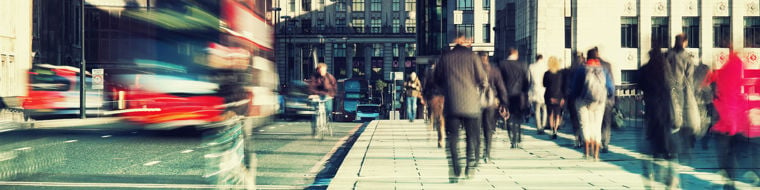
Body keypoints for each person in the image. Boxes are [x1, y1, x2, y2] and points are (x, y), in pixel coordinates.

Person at [433, 33, 488, 183]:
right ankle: (470, 167)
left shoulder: (445, 57)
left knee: (453, 137)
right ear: (465, 41)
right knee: (472, 137)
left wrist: (446, 89)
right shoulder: (473, 57)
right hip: (471, 103)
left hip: (452, 104)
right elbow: (483, 80)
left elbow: (436, 79)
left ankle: (455, 169)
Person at [705, 49, 759, 190]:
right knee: (737, 152)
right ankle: (742, 175)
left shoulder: (722, 77)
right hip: (732, 126)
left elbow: (714, 95)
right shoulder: (732, 80)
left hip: (725, 126)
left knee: (728, 155)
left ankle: (730, 179)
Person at [569, 47, 614, 161]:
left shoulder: (581, 69)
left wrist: (575, 98)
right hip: (599, 101)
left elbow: (575, 88)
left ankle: (587, 153)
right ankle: (596, 155)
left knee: (585, 125)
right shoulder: (603, 69)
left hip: (583, 100)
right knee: (597, 126)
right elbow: (610, 87)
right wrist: (608, 96)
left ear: (587, 57)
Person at [479, 52, 509, 164]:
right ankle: (487, 153)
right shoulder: (494, 71)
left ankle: (478, 151)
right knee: (488, 129)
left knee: (477, 128)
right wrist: (504, 104)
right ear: (487, 58)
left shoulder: (473, 70)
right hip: (491, 103)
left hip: (476, 103)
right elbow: (501, 88)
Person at [498, 48, 530, 149]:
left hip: (506, 95)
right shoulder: (523, 65)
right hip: (519, 95)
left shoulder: (502, 64)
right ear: (516, 54)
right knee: (518, 117)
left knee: (508, 117)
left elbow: (499, 81)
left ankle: (512, 139)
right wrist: (525, 93)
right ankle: (518, 136)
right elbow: (526, 81)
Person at [308, 63, 337, 137]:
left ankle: (328, 122)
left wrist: (332, 95)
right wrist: (311, 94)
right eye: (320, 70)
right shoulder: (314, 77)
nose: (322, 72)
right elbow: (311, 87)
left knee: (328, 109)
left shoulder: (329, 77)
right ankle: (315, 128)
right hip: (316, 95)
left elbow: (334, 86)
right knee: (315, 112)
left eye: (323, 70)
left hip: (327, 95)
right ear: (318, 70)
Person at [423, 61, 446, 148]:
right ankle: (441, 137)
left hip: (434, 97)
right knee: (440, 118)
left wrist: (425, 97)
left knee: (438, 117)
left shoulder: (429, 76)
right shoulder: (443, 74)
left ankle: (440, 137)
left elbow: (426, 87)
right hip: (441, 97)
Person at [565, 51, 586, 148]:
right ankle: (584, 138)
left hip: (572, 97)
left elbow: (567, 86)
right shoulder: (585, 69)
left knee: (574, 120)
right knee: (583, 120)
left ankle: (577, 139)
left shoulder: (570, 70)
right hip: (583, 97)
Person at [543, 56, 564, 140]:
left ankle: (551, 129)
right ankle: (556, 129)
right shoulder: (561, 73)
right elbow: (563, 85)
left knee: (550, 113)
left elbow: (544, 84)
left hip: (549, 95)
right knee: (558, 114)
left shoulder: (547, 73)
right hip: (559, 95)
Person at [529, 54, 548, 135]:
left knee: (537, 110)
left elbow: (528, 80)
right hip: (544, 90)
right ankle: (543, 125)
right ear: (542, 58)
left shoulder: (531, 67)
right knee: (545, 109)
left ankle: (539, 127)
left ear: (536, 59)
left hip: (535, 90)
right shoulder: (546, 67)